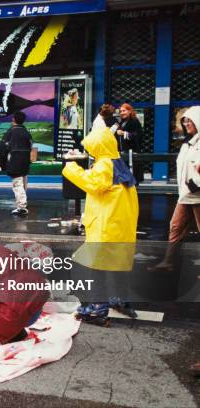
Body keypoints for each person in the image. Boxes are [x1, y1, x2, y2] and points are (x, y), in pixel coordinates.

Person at [62, 127, 138, 323]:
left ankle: (97, 308)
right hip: (120, 224)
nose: (89, 151)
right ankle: (122, 300)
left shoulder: (104, 164)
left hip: (106, 223)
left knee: (97, 265)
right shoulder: (116, 161)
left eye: (90, 147)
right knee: (118, 263)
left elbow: (94, 184)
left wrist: (72, 166)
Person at [151, 106, 200, 272]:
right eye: (184, 120)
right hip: (186, 195)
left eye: (189, 120)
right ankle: (168, 262)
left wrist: (196, 183)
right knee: (175, 227)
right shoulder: (187, 144)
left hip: (198, 195)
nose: (186, 123)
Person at [0, 111, 33, 216]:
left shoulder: (10, 132)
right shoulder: (27, 132)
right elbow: (31, 147)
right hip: (25, 161)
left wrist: (2, 163)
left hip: (14, 161)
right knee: (22, 183)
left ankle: (22, 207)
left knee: (17, 184)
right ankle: (22, 203)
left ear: (13, 120)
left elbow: (2, 149)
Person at [113, 103, 143, 185]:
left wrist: (124, 133)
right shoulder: (122, 122)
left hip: (132, 153)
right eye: (121, 111)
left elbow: (138, 135)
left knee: (132, 175)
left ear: (129, 111)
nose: (122, 113)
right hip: (124, 153)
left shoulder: (134, 121)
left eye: (124, 111)